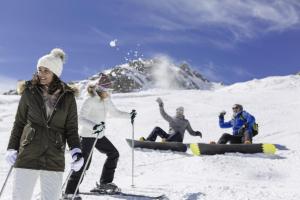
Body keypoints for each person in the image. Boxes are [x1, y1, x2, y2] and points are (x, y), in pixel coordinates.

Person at [5, 48, 84, 200]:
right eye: (39, 70)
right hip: (28, 153)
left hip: (54, 156)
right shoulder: (29, 92)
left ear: (55, 72)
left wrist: (76, 150)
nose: (41, 74)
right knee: (20, 196)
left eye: (46, 70)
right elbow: (19, 123)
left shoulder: (68, 97)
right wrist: (11, 147)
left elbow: (71, 128)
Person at [64, 73, 136, 199]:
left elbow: (115, 113)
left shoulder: (106, 100)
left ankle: (105, 183)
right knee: (84, 163)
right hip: (87, 135)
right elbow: (80, 118)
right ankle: (70, 191)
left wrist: (129, 115)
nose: (110, 93)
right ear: (100, 89)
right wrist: (94, 126)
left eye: (110, 91)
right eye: (108, 90)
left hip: (99, 135)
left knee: (113, 153)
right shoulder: (90, 100)